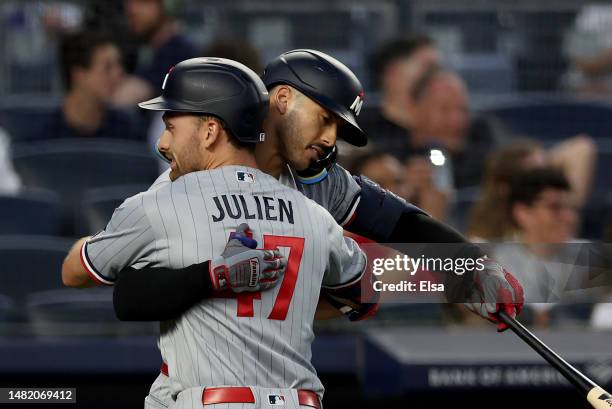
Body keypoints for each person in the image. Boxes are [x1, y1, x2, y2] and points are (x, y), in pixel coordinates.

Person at [95, 50, 521, 407]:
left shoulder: (320, 180)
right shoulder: (188, 176)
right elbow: (132, 291)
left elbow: (403, 223)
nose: (332, 139)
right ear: (281, 99)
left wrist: (473, 268)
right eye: (325, 119)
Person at [62, 57, 370, 408]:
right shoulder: (315, 216)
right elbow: (365, 291)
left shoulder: (162, 205)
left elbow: (75, 272)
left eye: (172, 126)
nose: (163, 142)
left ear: (210, 131)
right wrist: (293, 298)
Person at [492, 167, 581, 327]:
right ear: (522, 212)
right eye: (555, 208)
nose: (569, 217)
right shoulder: (495, 264)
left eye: (571, 208)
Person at [467, 137, 596, 241]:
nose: (544, 184)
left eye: (545, 173)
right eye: (534, 179)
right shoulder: (482, 245)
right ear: (505, 188)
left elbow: (582, 147)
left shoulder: (562, 230)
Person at [36, 30, 146, 141]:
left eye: (119, 66)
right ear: (79, 76)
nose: (118, 74)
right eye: (108, 68)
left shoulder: (128, 133)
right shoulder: (45, 139)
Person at [112, 0, 196, 106]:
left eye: (142, 2)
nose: (131, 9)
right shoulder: (141, 49)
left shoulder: (181, 54)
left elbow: (125, 96)